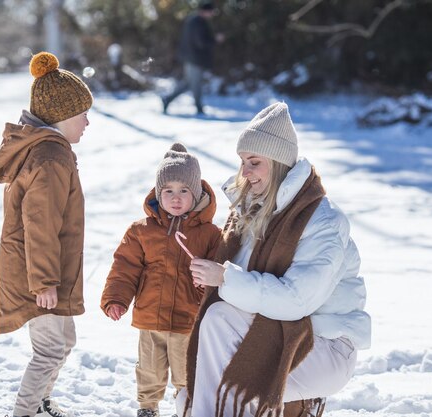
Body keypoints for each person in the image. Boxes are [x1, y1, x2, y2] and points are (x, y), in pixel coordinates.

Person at [181, 102, 371, 417]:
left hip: (323, 344)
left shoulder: (323, 221)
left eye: (254, 162)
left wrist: (226, 278)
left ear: (279, 163)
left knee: (220, 338)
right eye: (242, 162)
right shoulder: (250, 213)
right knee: (214, 339)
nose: (245, 172)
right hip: (273, 336)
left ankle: (293, 404)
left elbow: (296, 300)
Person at [0, 51, 93, 417]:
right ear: (63, 115)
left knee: (64, 342)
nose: (87, 122)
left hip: (47, 272)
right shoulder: (50, 157)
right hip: (40, 275)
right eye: (83, 114)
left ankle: (42, 403)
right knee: (50, 349)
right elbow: (40, 224)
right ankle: (25, 412)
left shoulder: (50, 150)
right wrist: (44, 282)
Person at [100, 143, 222, 417]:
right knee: (149, 368)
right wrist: (116, 299)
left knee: (186, 369)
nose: (175, 198)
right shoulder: (142, 231)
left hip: (187, 319)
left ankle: (188, 406)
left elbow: (219, 273)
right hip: (150, 317)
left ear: (197, 193)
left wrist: (207, 289)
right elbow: (125, 267)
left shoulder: (210, 234)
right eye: (168, 191)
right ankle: (147, 406)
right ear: (158, 193)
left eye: (183, 191)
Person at [161, 1, 223, 116]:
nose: (212, 14)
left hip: (191, 58)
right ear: (206, 11)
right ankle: (199, 108)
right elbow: (200, 42)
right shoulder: (198, 22)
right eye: (211, 12)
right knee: (196, 84)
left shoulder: (193, 20)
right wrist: (215, 40)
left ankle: (167, 99)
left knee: (189, 83)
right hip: (195, 59)